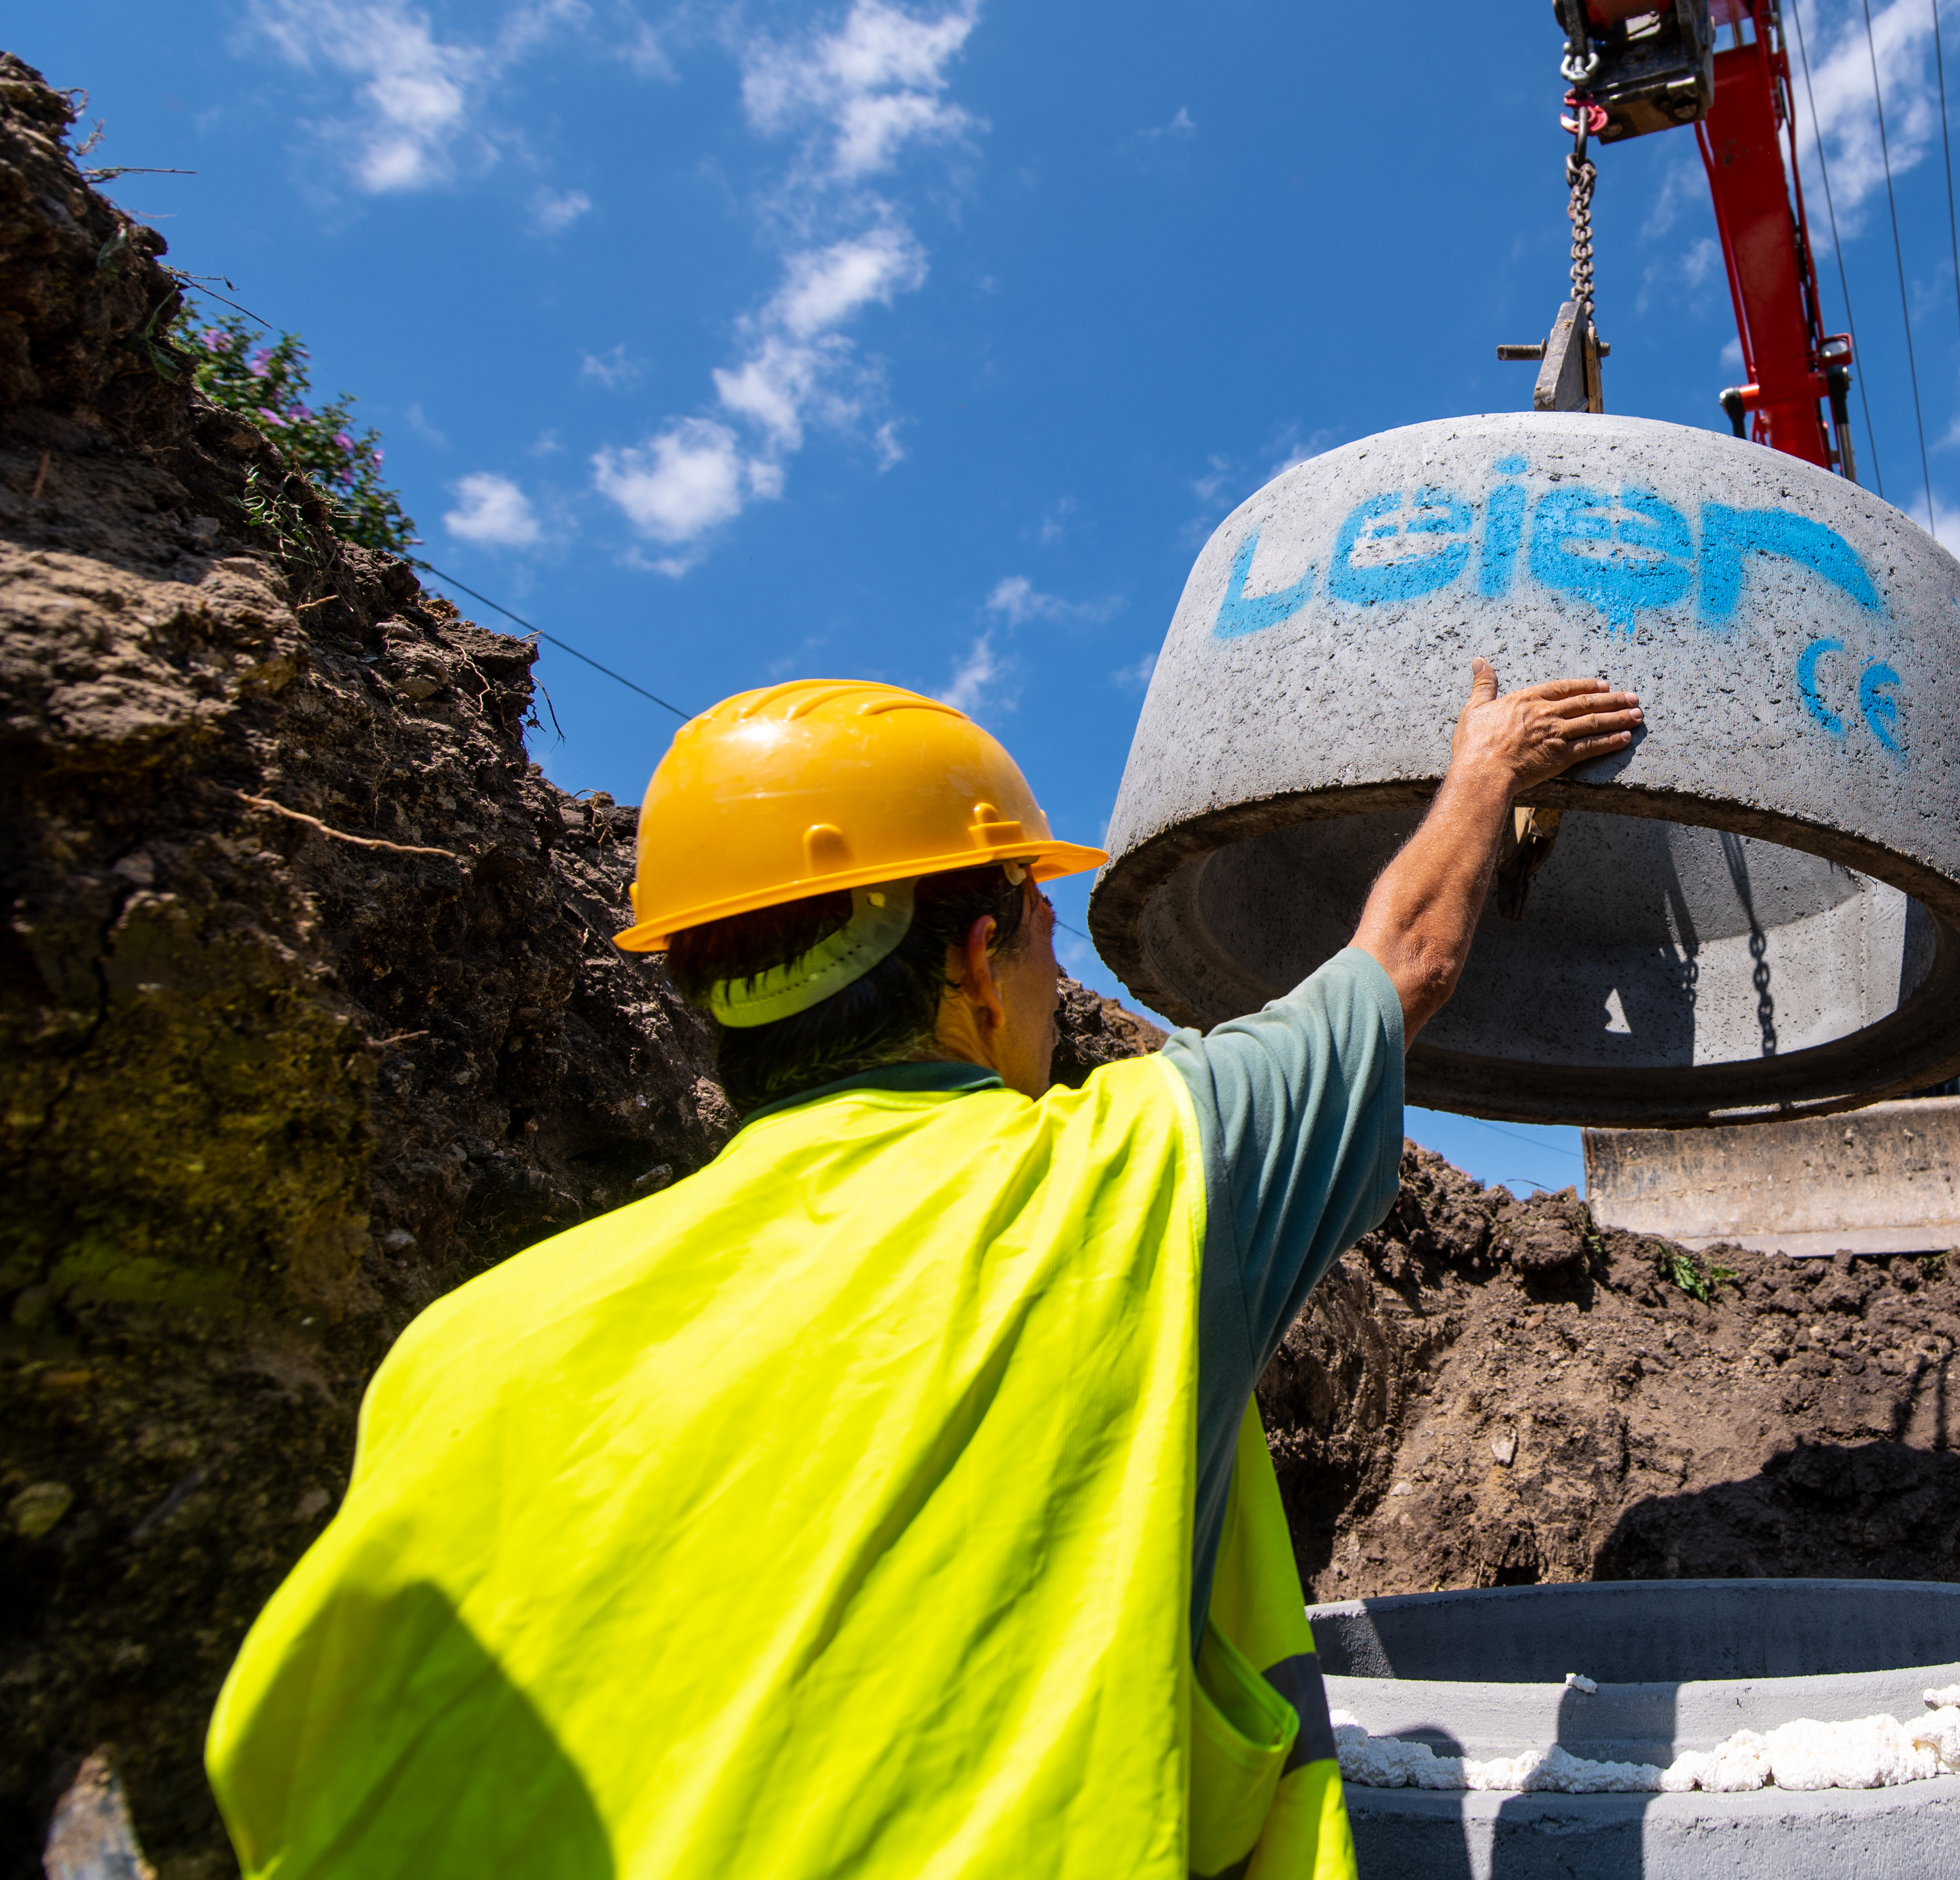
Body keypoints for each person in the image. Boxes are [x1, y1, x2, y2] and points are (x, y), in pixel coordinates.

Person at [205, 662, 1642, 1880]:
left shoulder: (468, 1344)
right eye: (1035, 924)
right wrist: (1490, 767)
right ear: (973, 957)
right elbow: (1403, 963)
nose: (1043, 962)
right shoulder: (1143, 1174)